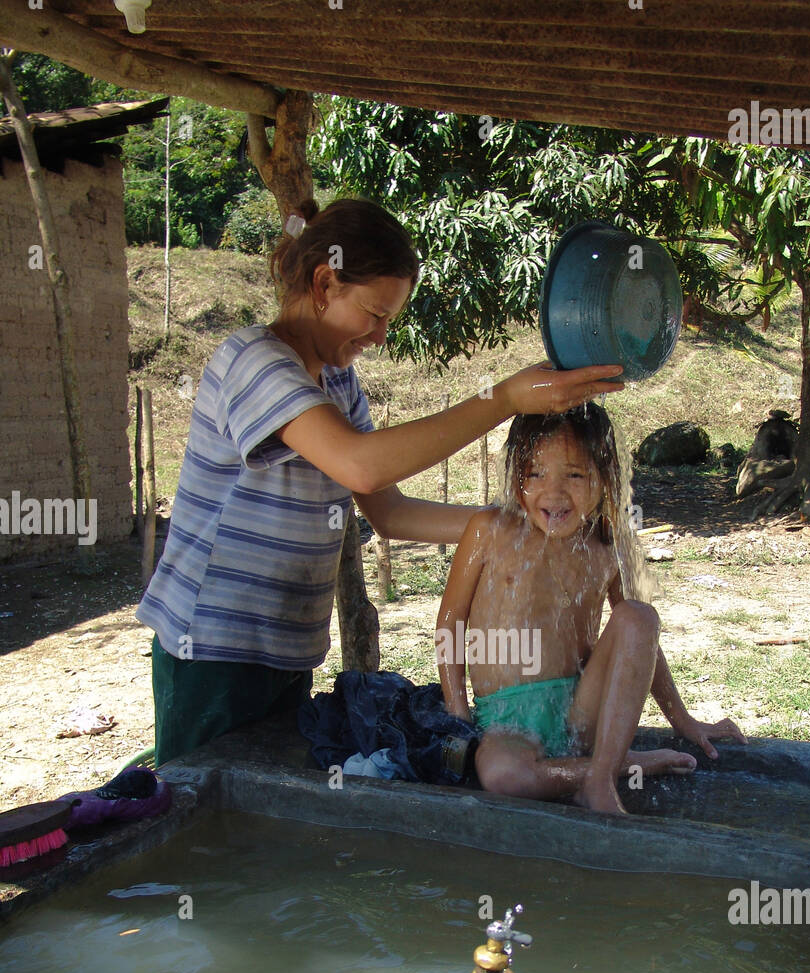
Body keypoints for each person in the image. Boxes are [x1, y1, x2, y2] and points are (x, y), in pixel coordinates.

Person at [136, 198, 623, 765]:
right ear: (325, 283)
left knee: (267, 810)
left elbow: (387, 511)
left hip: (284, 647)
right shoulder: (253, 360)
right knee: (207, 808)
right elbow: (360, 465)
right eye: (375, 314)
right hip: (213, 647)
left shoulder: (337, 384)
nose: (382, 336)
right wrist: (504, 398)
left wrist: (520, 524)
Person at [436, 404, 746, 814]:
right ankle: (618, 765)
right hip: (508, 720)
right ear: (516, 477)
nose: (554, 492)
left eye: (575, 474)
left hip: (583, 711)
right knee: (503, 777)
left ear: (604, 478)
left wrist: (682, 719)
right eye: (535, 474)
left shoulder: (602, 545)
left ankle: (598, 778)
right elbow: (450, 623)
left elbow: (640, 642)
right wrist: (458, 714)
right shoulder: (490, 530)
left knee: (639, 615)